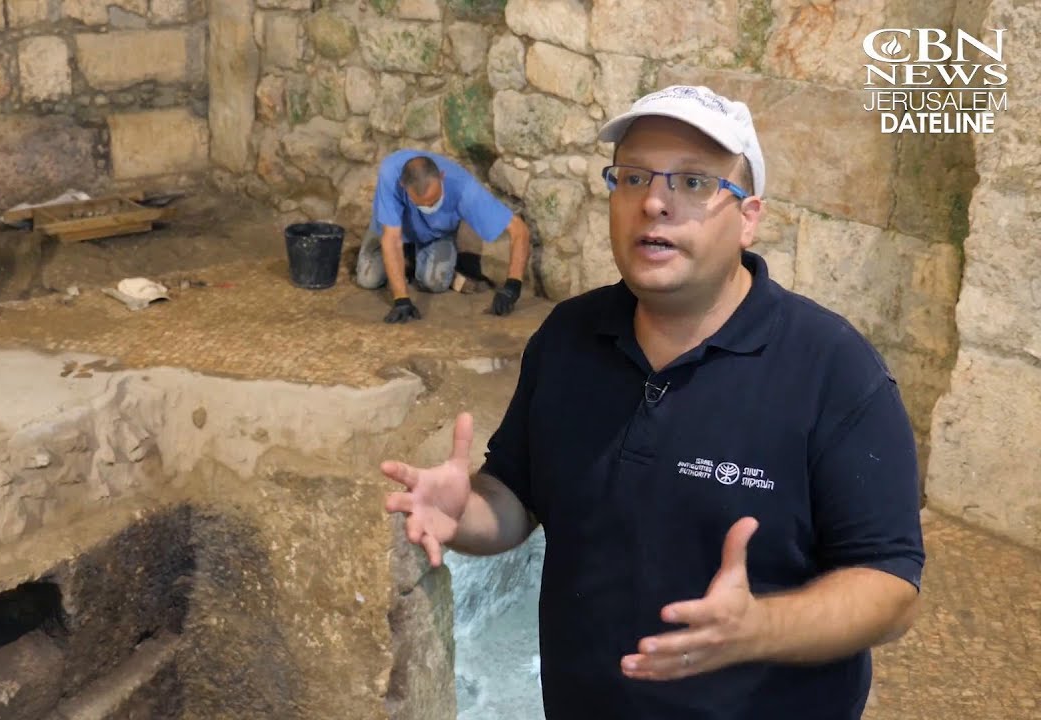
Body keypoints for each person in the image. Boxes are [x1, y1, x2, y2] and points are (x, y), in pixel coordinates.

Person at [381, 86, 924, 719]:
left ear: (749, 216)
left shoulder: (832, 369)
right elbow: (514, 500)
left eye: (694, 182)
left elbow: (890, 589)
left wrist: (758, 629)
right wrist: (465, 512)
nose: (655, 202)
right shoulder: (568, 338)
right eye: (633, 177)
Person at [356, 149, 531, 323]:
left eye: (434, 200)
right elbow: (392, 238)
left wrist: (512, 286)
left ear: (442, 176)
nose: (430, 206)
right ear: (403, 186)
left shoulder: (463, 186)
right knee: (368, 278)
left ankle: (410, 260)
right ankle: (406, 258)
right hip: (392, 229)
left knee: (435, 282)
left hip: (434, 234)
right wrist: (401, 299)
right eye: (422, 204)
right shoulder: (390, 173)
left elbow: (519, 230)